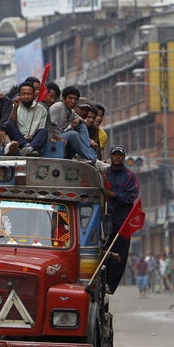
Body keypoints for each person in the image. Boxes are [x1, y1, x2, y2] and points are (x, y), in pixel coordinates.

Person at [101, 145, 139, 294]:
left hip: (122, 221)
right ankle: (99, 279)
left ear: (123, 157)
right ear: (110, 156)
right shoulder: (104, 172)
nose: (117, 157)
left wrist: (114, 195)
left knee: (119, 254)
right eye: (114, 154)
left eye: (120, 155)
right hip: (103, 218)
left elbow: (131, 196)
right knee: (101, 250)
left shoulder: (130, 175)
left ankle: (111, 284)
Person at [47, 86, 96, 162]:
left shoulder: (71, 112)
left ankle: (84, 155)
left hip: (63, 136)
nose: (73, 101)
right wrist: (57, 138)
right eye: (70, 98)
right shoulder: (58, 107)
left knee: (82, 126)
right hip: (52, 137)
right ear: (64, 98)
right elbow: (47, 126)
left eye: (75, 99)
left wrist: (78, 120)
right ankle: (92, 158)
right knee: (73, 134)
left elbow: (85, 122)